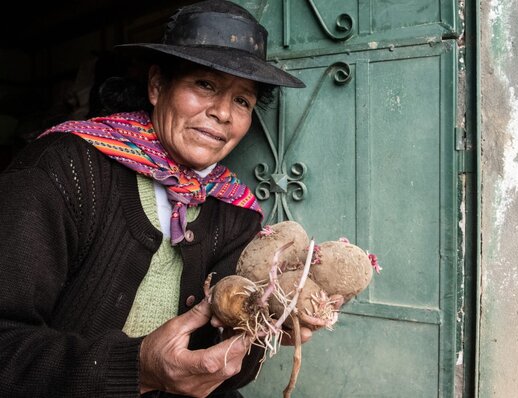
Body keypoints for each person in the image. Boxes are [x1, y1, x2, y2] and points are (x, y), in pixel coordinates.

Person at [0, 1, 307, 397]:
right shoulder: (64, 169)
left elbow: (226, 368)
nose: (223, 114)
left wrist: (265, 324)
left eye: (242, 101)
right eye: (205, 85)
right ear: (157, 86)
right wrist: (138, 367)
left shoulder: (235, 210)